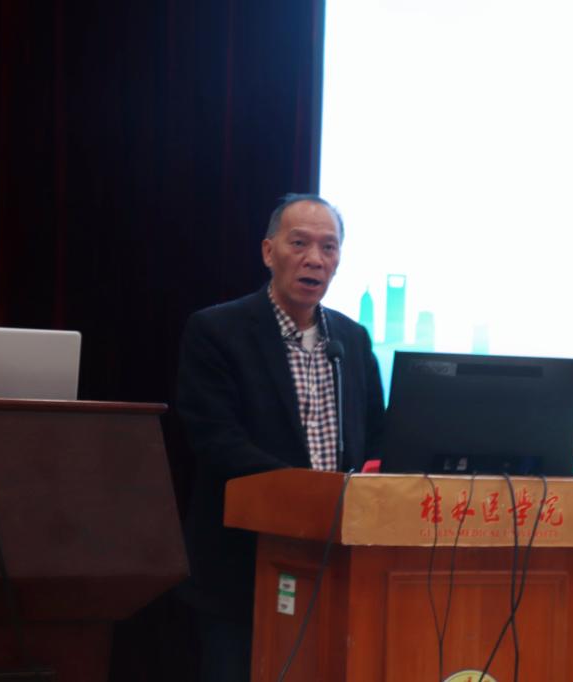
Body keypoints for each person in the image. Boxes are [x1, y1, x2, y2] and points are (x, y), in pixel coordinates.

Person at [176, 193, 385, 680]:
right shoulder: (217, 331)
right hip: (242, 565)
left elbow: (378, 436)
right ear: (269, 252)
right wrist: (308, 494)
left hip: (337, 563)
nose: (315, 259)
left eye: (329, 247)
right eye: (300, 244)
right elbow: (216, 439)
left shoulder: (351, 340)